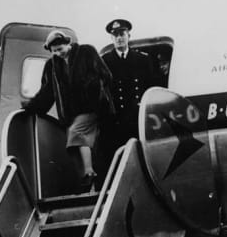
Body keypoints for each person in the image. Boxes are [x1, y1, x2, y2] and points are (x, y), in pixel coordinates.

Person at [22, 29, 115, 192]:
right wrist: (33, 107)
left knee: (75, 133)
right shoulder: (51, 65)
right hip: (72, 114)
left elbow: (105, 75)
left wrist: (93, 88)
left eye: (61, 49)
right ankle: (88, 182)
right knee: (75, 145)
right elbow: (47, 91)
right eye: (55, 51)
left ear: (68, 44)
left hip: (93, 108)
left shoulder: (87, 52)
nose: (58, 53)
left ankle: (88, 171)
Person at [102, 18, 157, 143]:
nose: (119, 38)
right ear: (111, 38)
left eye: (122, 34)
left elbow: (151, 87)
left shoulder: (143, 59)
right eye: (115, 35)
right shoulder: (105, 61)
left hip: (138, 115)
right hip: (117, 117)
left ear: (128, 36)